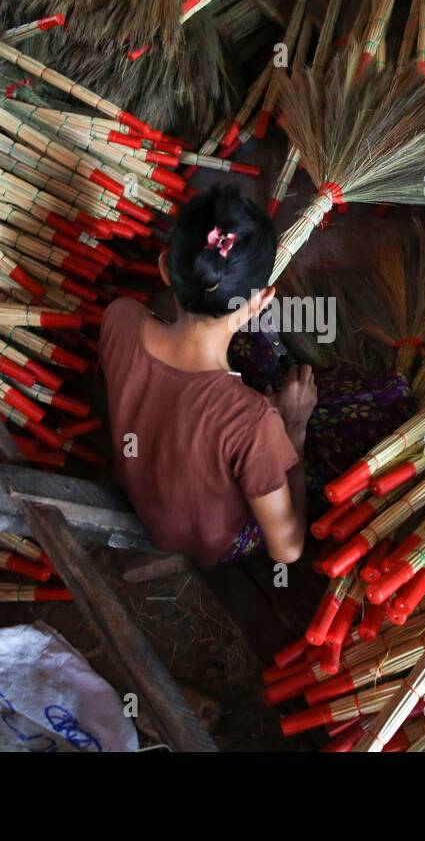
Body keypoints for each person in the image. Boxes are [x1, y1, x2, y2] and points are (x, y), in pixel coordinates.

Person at [99, 186, 316, 566]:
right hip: (208, 543)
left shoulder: (120, 318)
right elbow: (289, 551)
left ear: (165, 267)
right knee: (366, 406)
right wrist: (293, 431)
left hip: (142, 493)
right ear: (262, 301)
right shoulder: (252, 422)